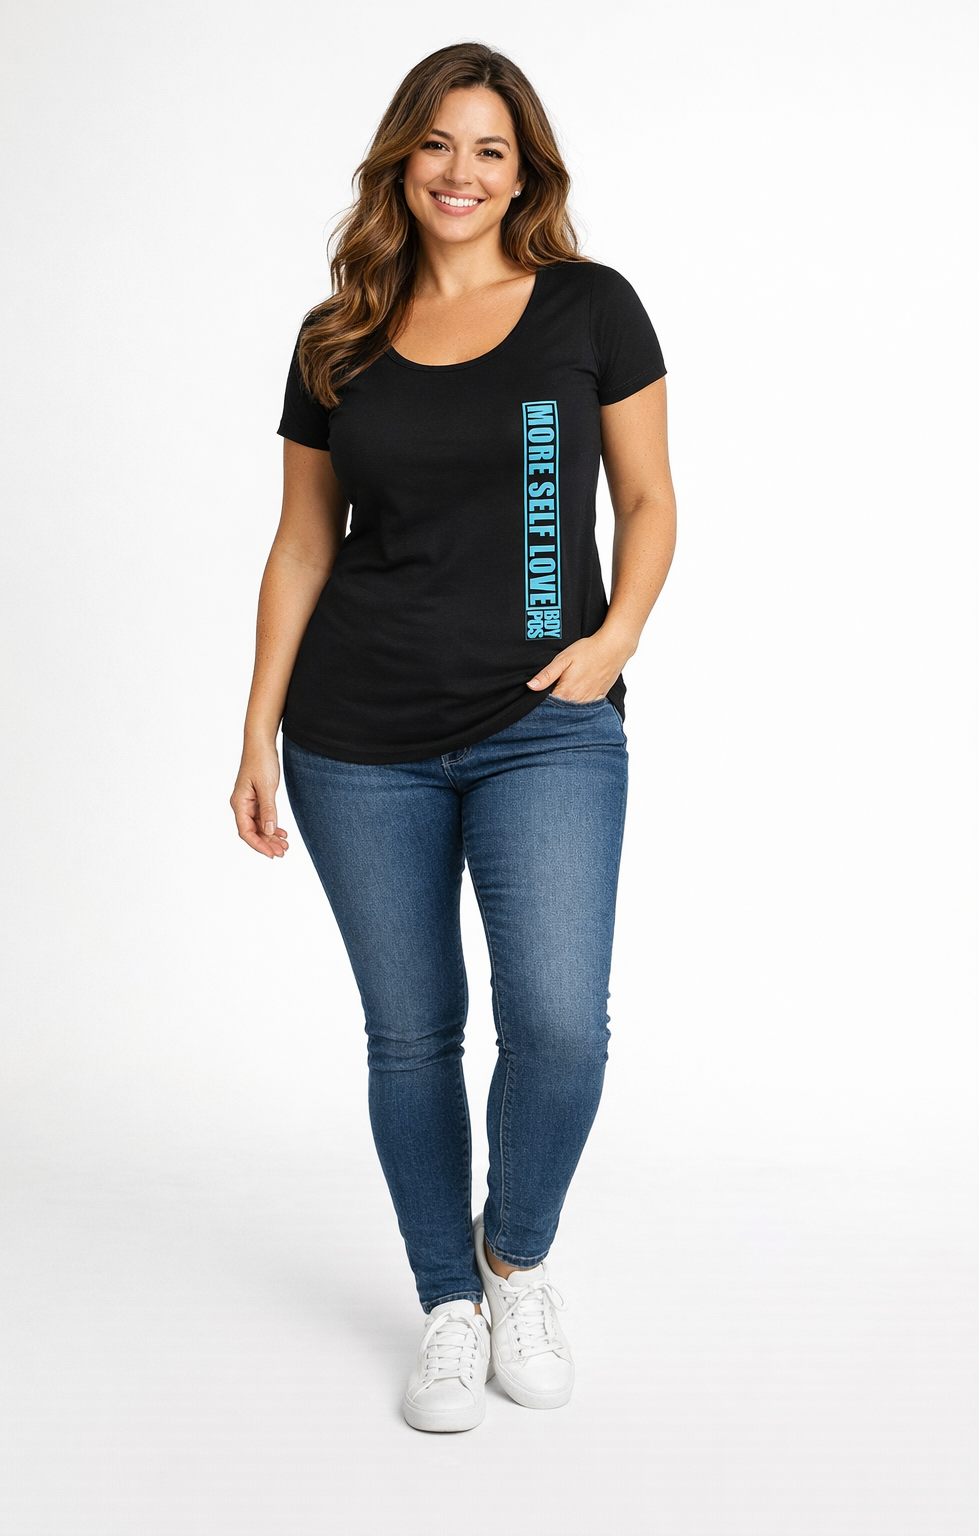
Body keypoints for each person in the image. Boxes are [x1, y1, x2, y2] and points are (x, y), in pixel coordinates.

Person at [230, 41, 676, 1433]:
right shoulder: (339, 336)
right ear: (400, 161)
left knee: (559, 1027)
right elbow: (304, 546)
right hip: (357, 738)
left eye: (489, 149)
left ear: (524, 171)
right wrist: (256, 731)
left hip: (546, 726)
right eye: (436, 144)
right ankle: (445, 1302)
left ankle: (513, 1259)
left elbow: (648, 501)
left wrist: (612, 643)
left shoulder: (590, 308)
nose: (460, 173)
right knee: (412, 1035)